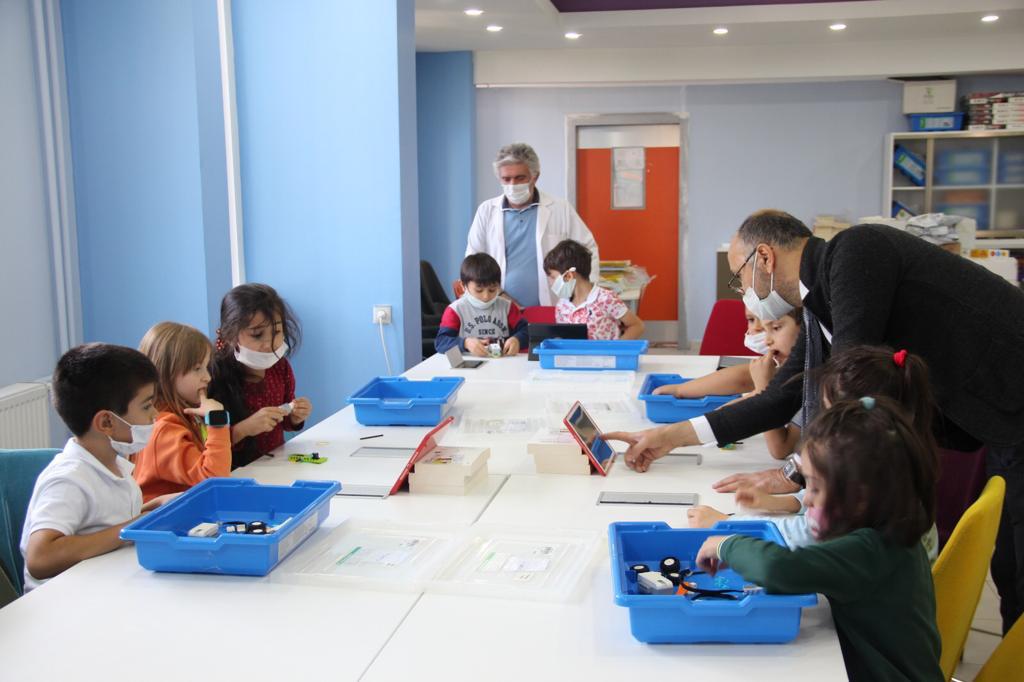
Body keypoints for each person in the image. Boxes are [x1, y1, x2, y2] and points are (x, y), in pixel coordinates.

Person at [607, 208, 1024, 633]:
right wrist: (670, 437)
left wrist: (797, 473)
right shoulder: (818, 300)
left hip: (1012, 399)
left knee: (1017, 570)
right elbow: (780, 397)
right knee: (1010, 565)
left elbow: (847, 391)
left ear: (764, 258)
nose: (743, 292)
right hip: (996, 411)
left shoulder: (856, 252)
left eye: (740, 278)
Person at [696, 396, 943, 682]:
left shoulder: (868, 550)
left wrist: (726, 544)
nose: (806, 500)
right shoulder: (895, 525)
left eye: (814, 487)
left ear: (859, 497)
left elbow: (778, 569)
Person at [690, 347, 939, 562]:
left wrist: (726, 525)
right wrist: (781, 503)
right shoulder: (893, 457)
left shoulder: (869, 486)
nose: (824, 421)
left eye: (829, 412)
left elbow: (800, 538)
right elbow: (821, 505)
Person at [20, 344, 173, 591]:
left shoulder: (113, 465)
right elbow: (40, 558)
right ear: (107, 422)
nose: (155, 414)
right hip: (65, 602)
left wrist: (153, 509)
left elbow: (103, 523)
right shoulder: (69, 479)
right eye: (146, 406)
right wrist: (135, 525)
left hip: (104, 585)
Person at [466, 143, 600, 307]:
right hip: (499, 306)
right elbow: (473, 263)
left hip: (554, 306)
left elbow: (588, 250)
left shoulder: (560, 209)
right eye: (506, 179)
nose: (513, 184)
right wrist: (500, 295)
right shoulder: (486, 211)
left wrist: (586, 296)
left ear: (534, 176)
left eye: (520, 178)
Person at [207, 283, 310, 468]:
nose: (269, 344)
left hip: (274, 466)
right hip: (234, 473)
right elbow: (205, 445)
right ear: (230, 336)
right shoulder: (213, 376)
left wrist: (295, 417)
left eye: (277, 332)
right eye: (257, 335)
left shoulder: (280, 367)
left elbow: (284, 419)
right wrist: (244, 429)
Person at [133, 322, 231, 501]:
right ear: (165, 373)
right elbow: (215, 482)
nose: (207, 377)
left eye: (206, 367)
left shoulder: (182, 414)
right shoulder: (163, 429)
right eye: (197, 369)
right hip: (166, 517)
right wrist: (217, 421)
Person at [543, 239, 644, 340]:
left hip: (606, 351)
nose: (551, 283)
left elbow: (637, 326)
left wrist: (616, 347)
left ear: (569, 275)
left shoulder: (606, 298)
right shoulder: (562, 305)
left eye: (553, 277)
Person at [436, 253, 528, 357]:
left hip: (502, 362)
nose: (486, 296)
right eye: (479, 290)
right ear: (463, 285)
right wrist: (465, 343)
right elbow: (441, 342)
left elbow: (527, 331)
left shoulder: (507, 307)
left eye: (492, 290)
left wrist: (517, 339)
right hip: (470, 363)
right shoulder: (456, 310)